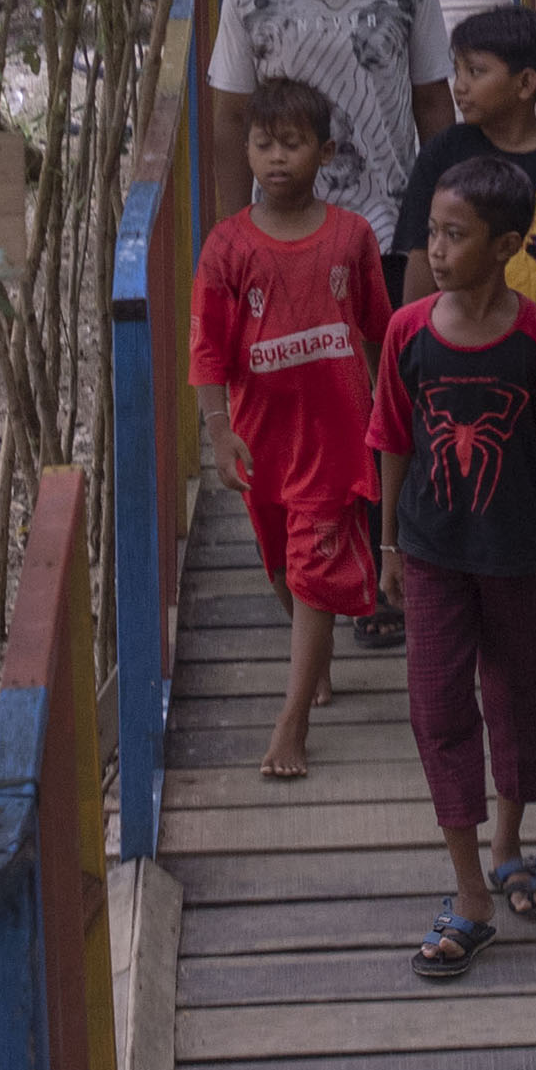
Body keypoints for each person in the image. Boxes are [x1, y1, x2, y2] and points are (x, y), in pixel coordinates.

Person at [207, 0, 452, 646]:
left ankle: (388, 571)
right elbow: (229, 119)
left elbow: (432, 108)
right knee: (318, 399)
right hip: (285, 233)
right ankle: (328, 562)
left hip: (386, 220)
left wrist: (445, 220)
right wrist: (225, 231)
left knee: (387, 395)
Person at [365, 154, 536, 981]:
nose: (435, 248)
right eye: (431, 231)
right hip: (433, 553)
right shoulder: (409, 333)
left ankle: (507, 846)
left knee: (517, 698)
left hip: (521, 556)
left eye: (454, 235)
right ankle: (470, 894)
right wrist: (389, 544)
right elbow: (392, 438)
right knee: (436, 709)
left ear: (506, 245)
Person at [190, 74, 392, 782]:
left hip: (335, 438)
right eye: (263, 144)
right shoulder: (226, 247)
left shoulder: (352, 237)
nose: (277, 158)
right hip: (260, 438)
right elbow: (209, 349)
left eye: (294, 144)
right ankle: (318, 659)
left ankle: (292, 719)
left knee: (311, 565)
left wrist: (386, 419)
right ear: (245, 150)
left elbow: (376, 330)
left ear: (326, 151)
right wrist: (219, 429)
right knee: (280, 566)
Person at [389, 5, 536, 421]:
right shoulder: (445, 154)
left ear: (525, 84)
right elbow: (419, 249)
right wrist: (410, 346)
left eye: (476, 72)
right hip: (457, 360)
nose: (459, 87)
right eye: (457, 71)